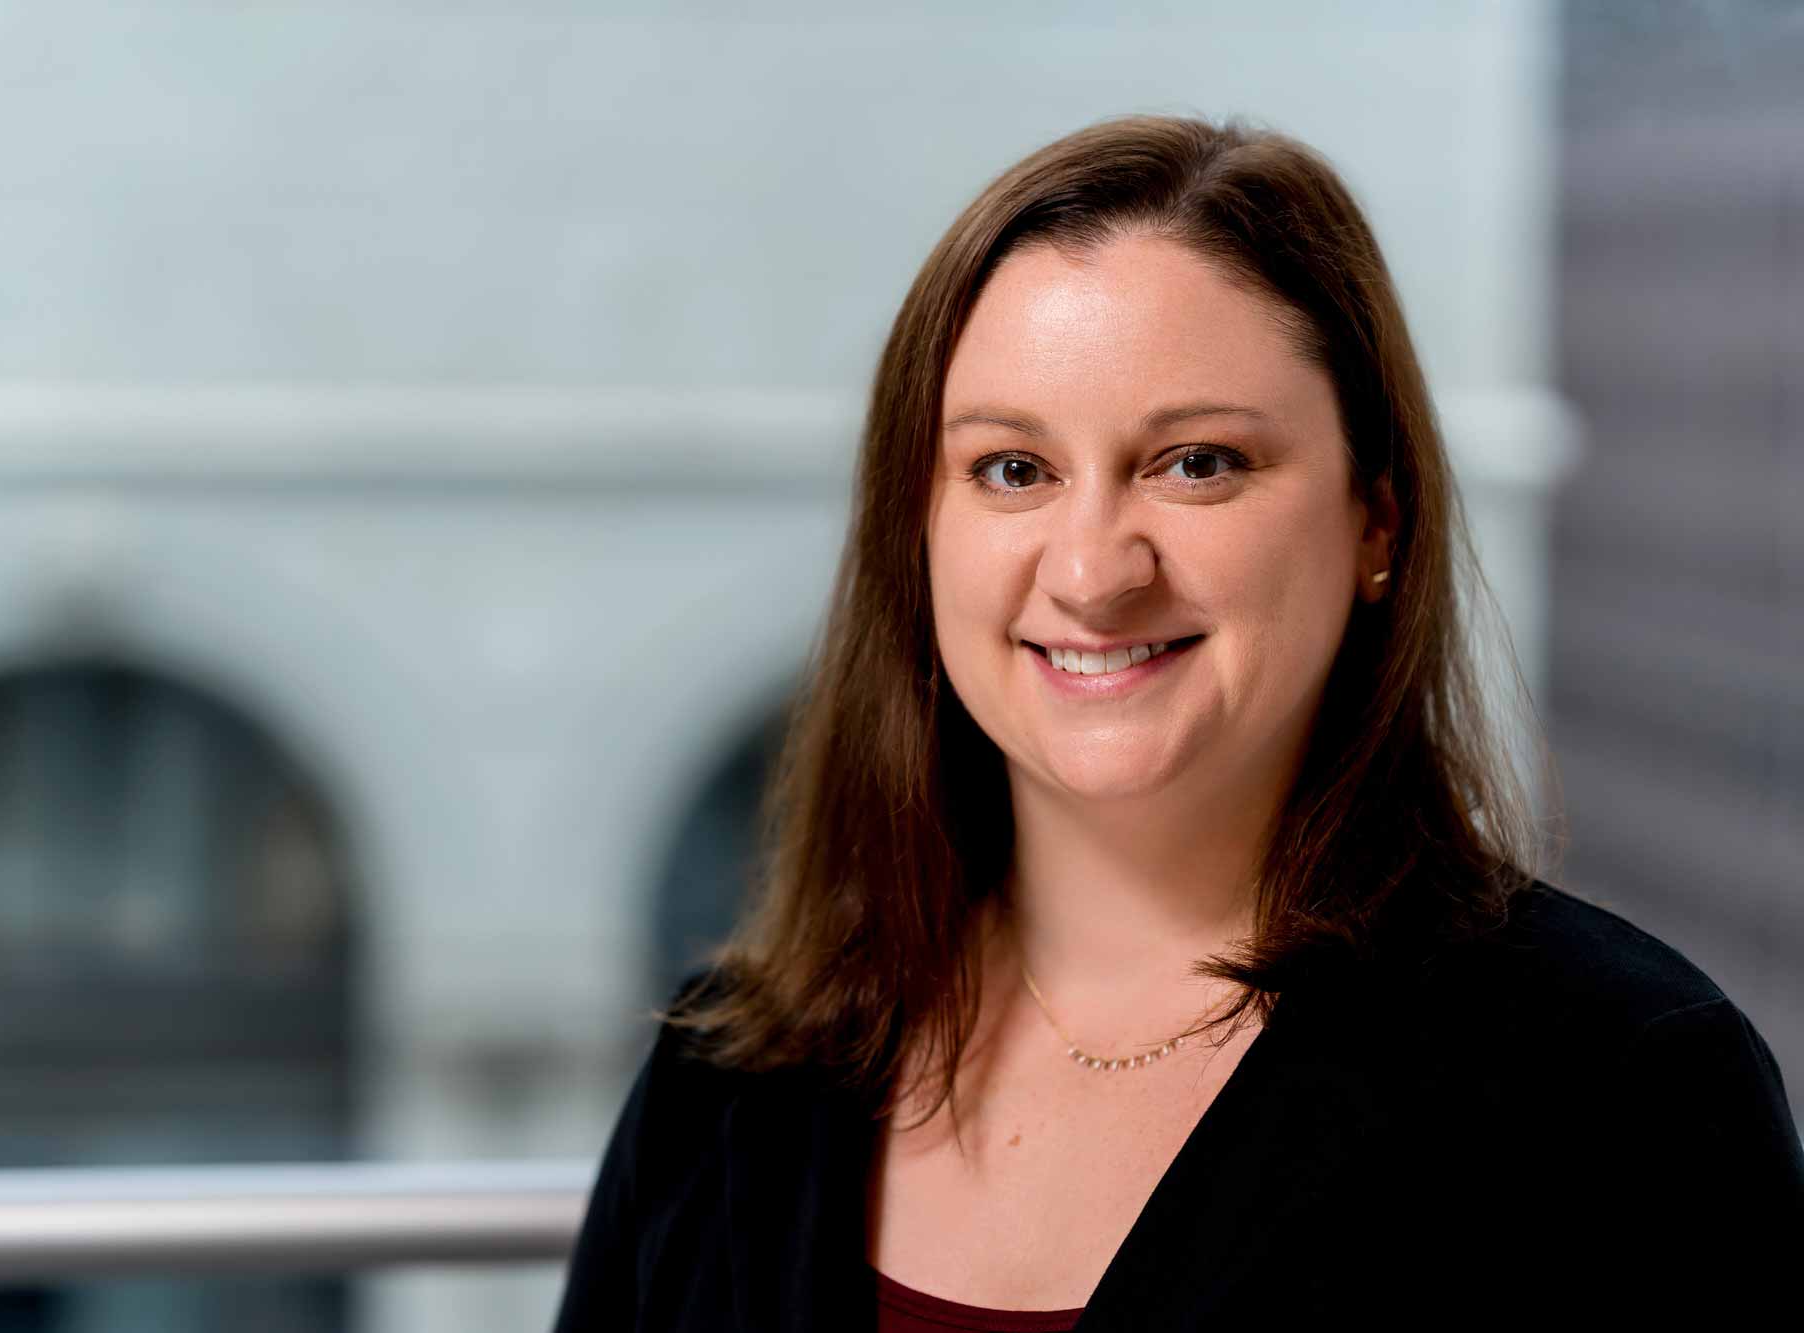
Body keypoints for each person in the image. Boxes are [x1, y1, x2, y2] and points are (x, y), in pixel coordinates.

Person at [552, 115, 1804, 1331]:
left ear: (1377, 519)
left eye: (1195, 462)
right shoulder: (735, 1072)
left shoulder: (1618, 1089)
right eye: (1011, 470)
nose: (1093, 572)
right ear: (915, 531)